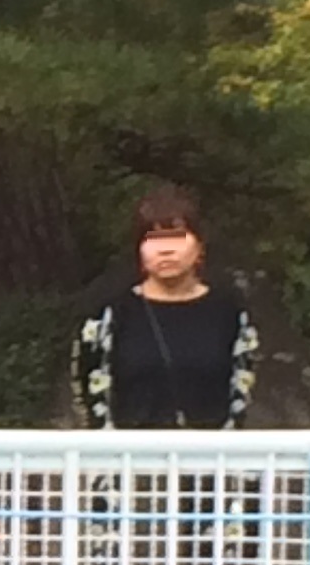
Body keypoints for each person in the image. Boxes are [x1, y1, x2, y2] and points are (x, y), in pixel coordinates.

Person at [72, 184, 260, 430]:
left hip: (210, 461)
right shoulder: (109, 315)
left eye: (178, 236)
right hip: (130, 461)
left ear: (200, 247)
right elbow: (88, 396)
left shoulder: (230, 313)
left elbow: (241, 391)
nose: (166, 249)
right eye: (153, 238)